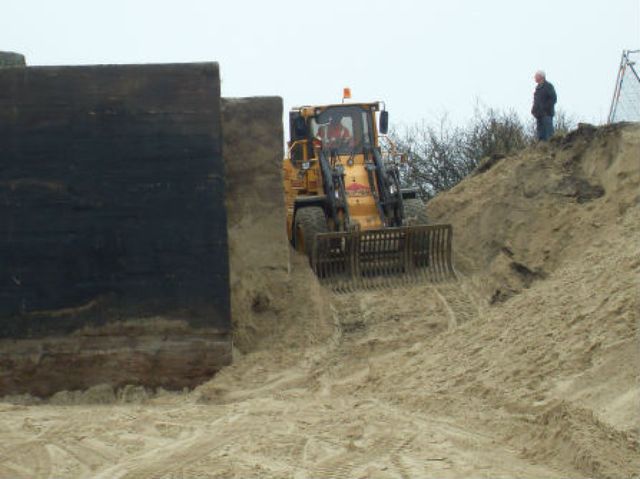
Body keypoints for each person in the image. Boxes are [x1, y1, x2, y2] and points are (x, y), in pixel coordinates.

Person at [531, 70, 557, 141]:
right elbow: (536, 101)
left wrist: (545, 108)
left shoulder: (548, 86)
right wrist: (533, 110)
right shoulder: (538, 88)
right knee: (540, 135)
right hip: (539, 115)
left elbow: (553, 99)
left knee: (548, 133)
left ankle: (551, 148)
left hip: (547, 114)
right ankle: (542, 149)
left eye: (536, 76)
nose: (534, 78)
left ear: (541, 77)